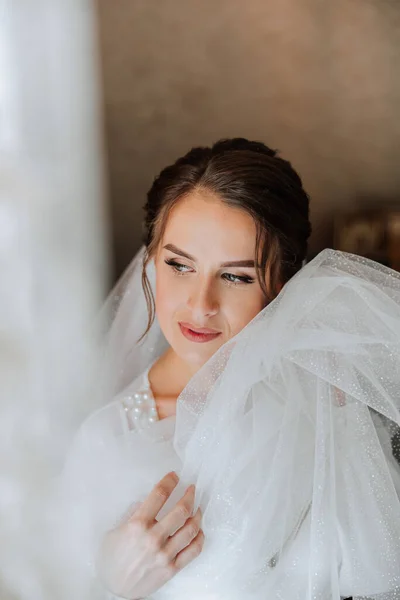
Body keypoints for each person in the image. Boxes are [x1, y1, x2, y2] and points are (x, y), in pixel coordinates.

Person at [59, 138, 400, 600]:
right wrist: (109, 584)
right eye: (179, 265)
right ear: (152, 262)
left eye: (236, 276)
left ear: (281, 285)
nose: (201, 306)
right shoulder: (104, 443)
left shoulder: (322, 401)